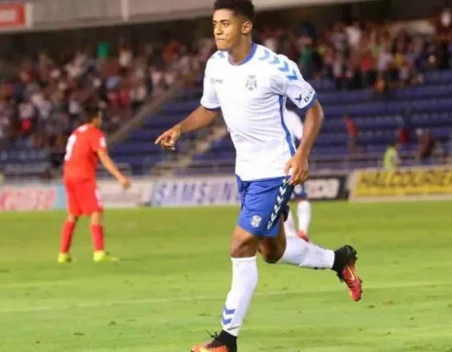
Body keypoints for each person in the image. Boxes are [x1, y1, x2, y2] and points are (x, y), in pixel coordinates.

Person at [155, 1, 362, 351]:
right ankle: (339, 259)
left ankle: (226, 339)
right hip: (246, 172)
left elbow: (314, 110)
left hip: (275, 170)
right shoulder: (216, 65)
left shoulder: (274, 67)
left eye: (225, 23)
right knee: (272, 251)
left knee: (240, 243)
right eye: (214, 24)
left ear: (246, 27)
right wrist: (180, 128)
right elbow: (209, 108)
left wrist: (302, 154)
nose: (217, 30)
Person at [58, 106, 131, 263]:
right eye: (100, 117)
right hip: (83, 176)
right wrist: (120, 177)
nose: (101, 120)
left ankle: (63, 254)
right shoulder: (95, 133)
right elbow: (103, 157)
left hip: (68, 175)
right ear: (95, 119)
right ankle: (99, 252)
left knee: (73, 214)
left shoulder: (76, 133)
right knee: (96, 211)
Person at [283, 109, 312, 242]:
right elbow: (302, 135)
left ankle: (290, 235)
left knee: (282, 201)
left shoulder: (263, 114)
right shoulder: (291, 116)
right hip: (293, 162)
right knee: (301, 198)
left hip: (273, 164)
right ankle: (303, 231)